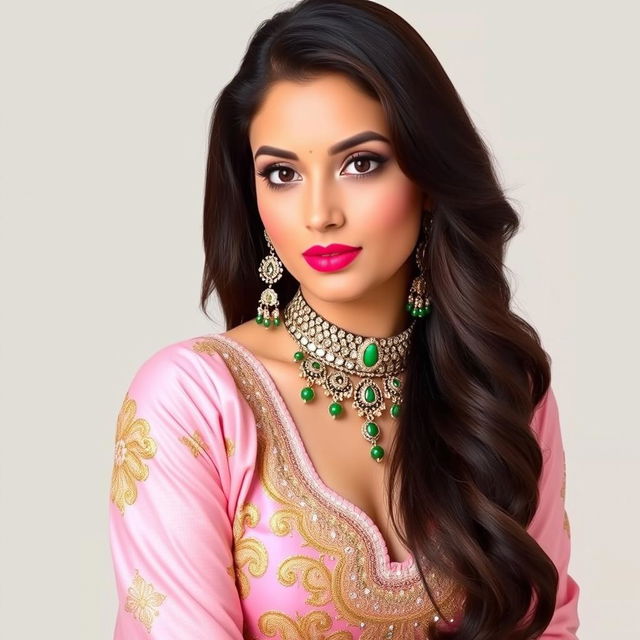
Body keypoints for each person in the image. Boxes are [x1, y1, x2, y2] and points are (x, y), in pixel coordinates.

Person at [108, 1, 580, 637]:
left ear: (430, 176)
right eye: (281, 174)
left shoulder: (501, 391)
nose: (320, 212)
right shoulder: (195, 403)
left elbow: (545, 627)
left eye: (361, 163)